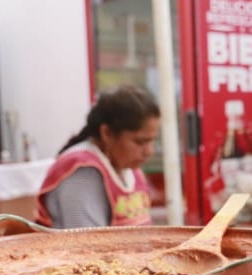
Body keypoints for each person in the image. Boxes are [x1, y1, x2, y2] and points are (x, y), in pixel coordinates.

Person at [35, 86, 159, 228]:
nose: (149, 151)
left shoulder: (128, 166)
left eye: (152, 141)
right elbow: (86, 243)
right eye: (140, 142)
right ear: (107, 133)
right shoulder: (82, 173)